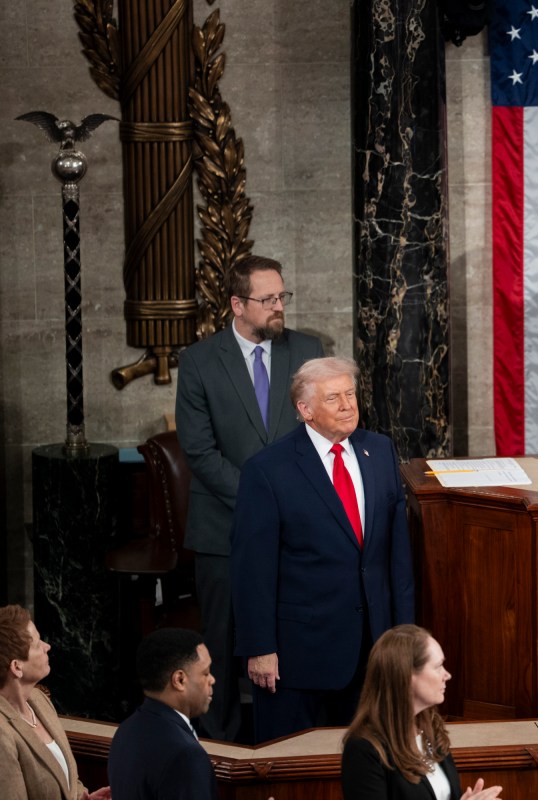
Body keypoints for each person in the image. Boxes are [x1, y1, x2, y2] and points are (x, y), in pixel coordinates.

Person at [175, 254, 325, 741]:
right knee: (218, 644)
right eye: (268, 300)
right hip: (224, 528)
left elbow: (324, 431)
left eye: (282, 297)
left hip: (298, 528)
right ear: (237, 305)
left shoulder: (307, 349)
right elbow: (199, 449)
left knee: (291, 639)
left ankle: (288, 743)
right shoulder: (198, 361)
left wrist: (290, 504)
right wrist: (264, 501)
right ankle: (220, 752)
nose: (279, 307)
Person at [231, 356, 415, 743]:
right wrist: (260, 647)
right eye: (334, 398)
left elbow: (397, 560)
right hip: (300, 658)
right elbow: (253, 570)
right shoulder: (268, 470)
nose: (348, 405)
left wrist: (404, 638)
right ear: (306, 410)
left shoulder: (379, 451)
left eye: (350, 394)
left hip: (373, 651)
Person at [342, 625, 501, 800]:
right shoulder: (363, 749)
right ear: (407, 676)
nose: (447, 675)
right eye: (438, 666)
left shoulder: (431, 726)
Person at [0, 605, 109, 800]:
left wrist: (84, 798)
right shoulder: (2, 734)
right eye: (36, 644)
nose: (47, 646)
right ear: (17, 667)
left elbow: (68, 780)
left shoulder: (39, 699)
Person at [107, 629, 218, 800]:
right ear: (179, 680)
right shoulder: (186, 755)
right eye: (205, 673)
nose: (212, 680)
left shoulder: (126, 729)